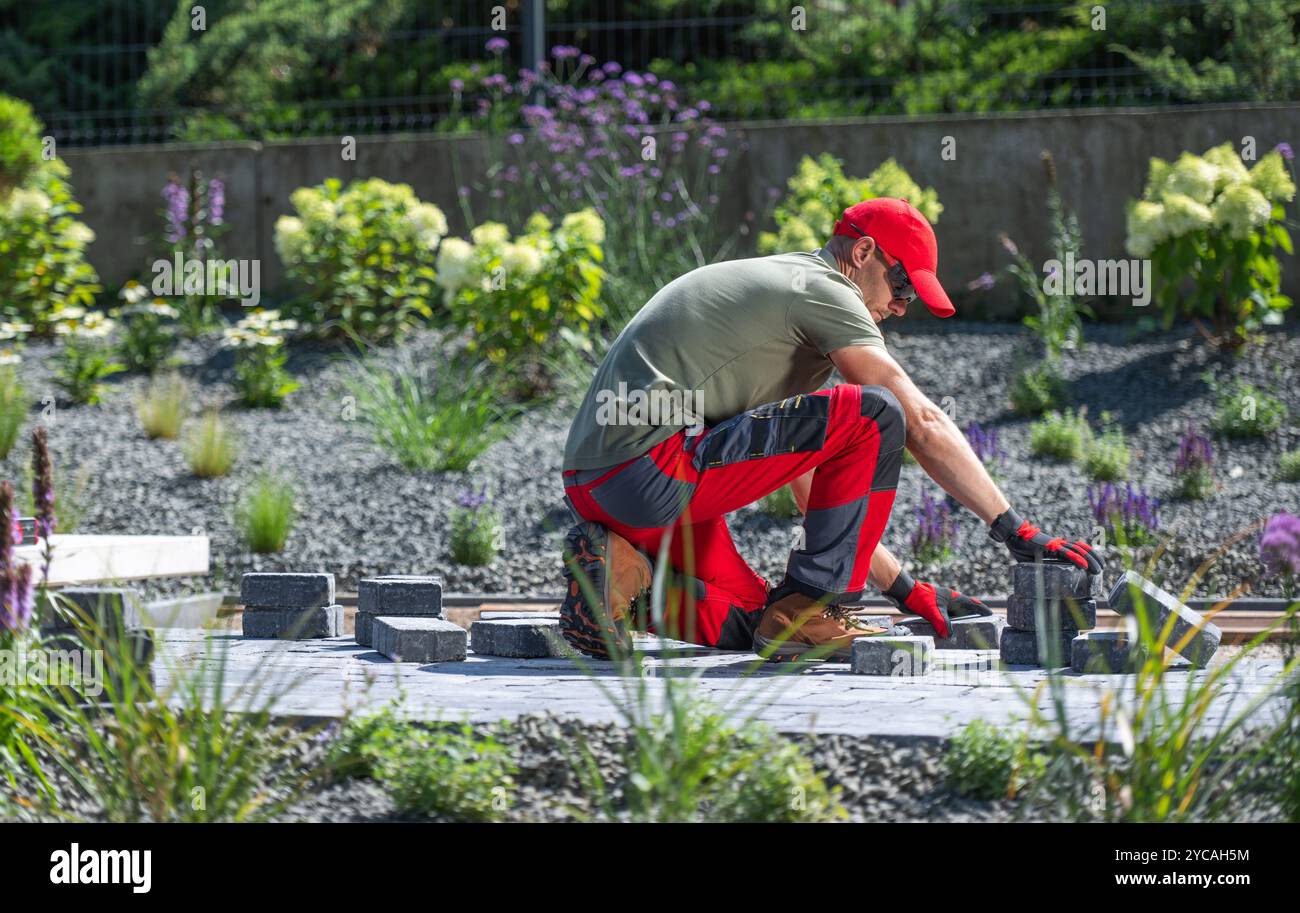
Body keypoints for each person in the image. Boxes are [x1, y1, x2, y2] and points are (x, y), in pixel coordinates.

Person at [558, 197, 1102, 660]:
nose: (901, 305)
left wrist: (906, 591)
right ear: (863, 252)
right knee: (876, 412)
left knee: (768, 626)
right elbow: (920, 419)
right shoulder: (824, 291)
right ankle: (815, 608)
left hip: (603, 487)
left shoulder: (782, 303)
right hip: (653, 470)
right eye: (902, 284)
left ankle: (618, 581)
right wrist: (1016, 530)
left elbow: (808, 478)